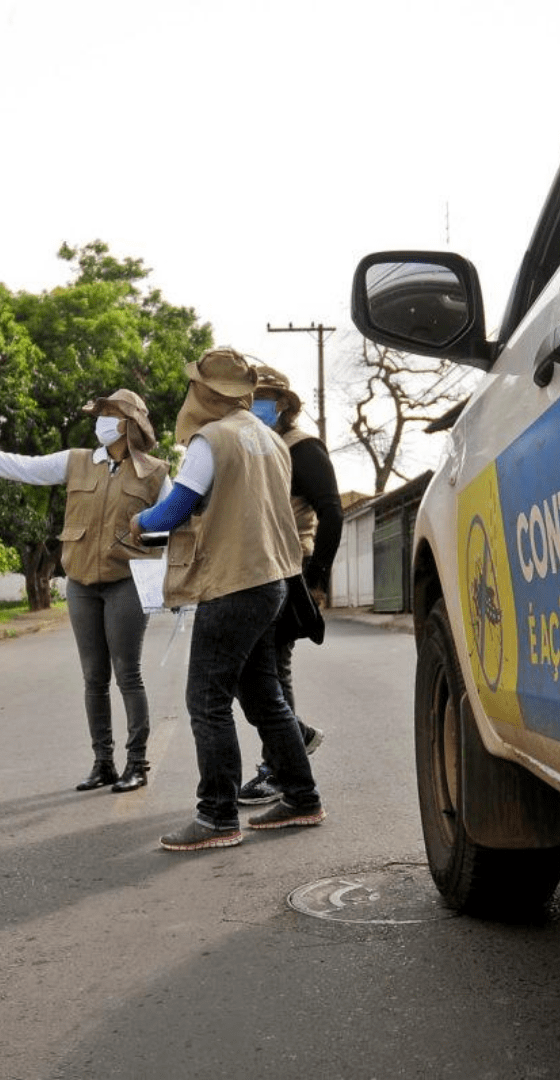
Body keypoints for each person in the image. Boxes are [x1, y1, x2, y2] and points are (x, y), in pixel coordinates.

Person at [129, 347, 325, 851]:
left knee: (206, 700)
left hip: (234, 582)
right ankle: (302, 798)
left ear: (207, 392)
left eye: (195, 383)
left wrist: (139, 522)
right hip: (273, 580)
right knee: (263, 694)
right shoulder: (269, 438)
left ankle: (216, 816)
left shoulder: (210, 439)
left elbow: (178, 506)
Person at [0, 389, 171, 794]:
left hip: (127, 582)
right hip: (80, 582)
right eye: (99, 413)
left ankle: (137, 763)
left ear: (129, 423)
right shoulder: (76, 461)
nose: (99, 420)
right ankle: (103, 763)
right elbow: (21, 466)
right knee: (93, 677)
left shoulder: (157, 474)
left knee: (127, 673)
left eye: (107, 413)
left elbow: (176, 525)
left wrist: (162, 577)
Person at [237, 364, 344, 805]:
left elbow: (332, 512)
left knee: (269, 668)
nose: (257, 406)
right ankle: (291, 745)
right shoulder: (260, 447)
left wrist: (318, 577)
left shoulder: (302, 448)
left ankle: (279, 766)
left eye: (264, 398)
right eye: (251, 399)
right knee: (261, 669)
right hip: (261, 565)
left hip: (292, 565)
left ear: (283, 404)